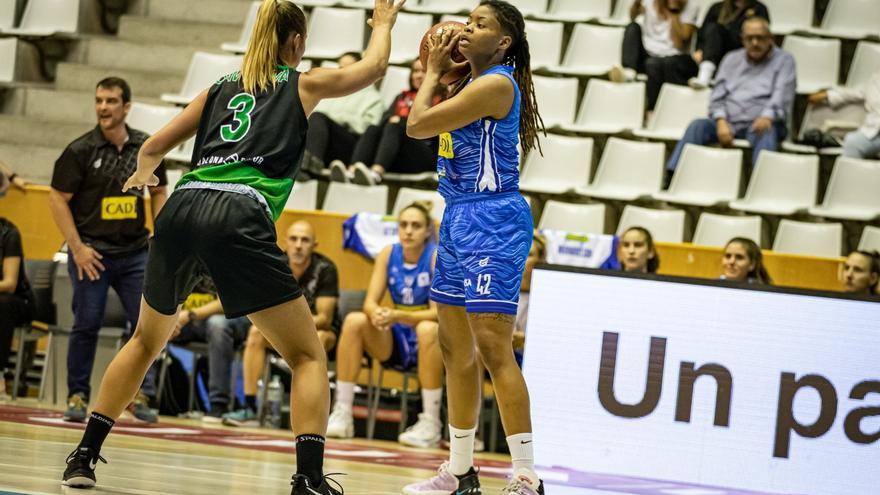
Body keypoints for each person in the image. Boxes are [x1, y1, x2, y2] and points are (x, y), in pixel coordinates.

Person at [60, 1, 405, 494]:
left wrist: (143, 175)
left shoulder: (218, 88)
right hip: (238, 212)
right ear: (296, 44)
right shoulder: (300, 83)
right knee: (307, 356)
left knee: (144, 341)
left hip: (183, 206)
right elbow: (372, 70)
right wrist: (385, 25)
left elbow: (152, 147)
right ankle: (308, 477)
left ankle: (85, 454)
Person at [404, 1, 546, 493]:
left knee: (492, 348)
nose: (467, 29)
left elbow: (417, 124)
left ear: (503, 42)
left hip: (495, 220)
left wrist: (431, 71)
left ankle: (526, 472)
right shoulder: (469, 83)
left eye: (480, 25)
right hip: (458, 218)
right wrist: (443, 74)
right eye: (467, 20)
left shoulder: (496, 83)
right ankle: (460, 469)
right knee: (454, 350)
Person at [48, 77, 169, 424]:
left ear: (126, 107)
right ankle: (77, 395)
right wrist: (77, 248)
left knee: (147, 327)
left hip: (134, 252)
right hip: (92, 253)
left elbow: (159, 191)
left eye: (111, 101)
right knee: (87, 322)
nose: (103, 107)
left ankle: (138, 394)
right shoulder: (80, 151)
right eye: (99, 100)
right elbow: (57, 198)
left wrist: (158, 238)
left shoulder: (146, 148)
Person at [326, 202, 443, 449]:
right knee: (355, 320)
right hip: (398, 336)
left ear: (427, 231)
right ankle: (343, 412)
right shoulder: (388, 253)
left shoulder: (435, 256)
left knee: (427, 329)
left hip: (430, 337)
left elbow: (437, 315)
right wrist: (377, 313)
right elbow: (369, 302)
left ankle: (431, 422)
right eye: (403, 225)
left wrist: (397, 315)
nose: (408, 231)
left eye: (416, 226)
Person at [223, 220, 341, 428]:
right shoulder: (275, 264)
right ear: (285, 242)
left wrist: (291, 324)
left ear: (314, 246)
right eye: (294, 239)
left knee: (321, 338)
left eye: (305, 240)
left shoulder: (326, 268)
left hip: (319, 332)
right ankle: (249, 407)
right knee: (256, 333)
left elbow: (324, 318)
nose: (298, 245)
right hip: (283, 329)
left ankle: (312, 413)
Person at [666, 17, 796, 174]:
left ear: (771, 38)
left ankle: (762, 183)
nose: (755, 43)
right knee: (697, 126)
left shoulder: (785, 60)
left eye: (760, 38)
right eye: (749, 38)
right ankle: (673, 175)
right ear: (742, 39)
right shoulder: (731, 59)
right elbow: (717, 96)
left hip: (763, 122)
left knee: (766, 131)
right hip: (730, 122)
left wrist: (767, 117)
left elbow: (781, 95)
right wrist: (720, 120)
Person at [330, 59, 444, 185]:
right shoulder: (402, 97)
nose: (418, 75)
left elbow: (435, 131)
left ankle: (376, 173)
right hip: (398, 154)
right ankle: (352, 170)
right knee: (373, 128)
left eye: (424, 71)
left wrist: (401, 122)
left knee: (397, 125)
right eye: (415, 71)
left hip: (426, 154)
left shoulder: (442, 98)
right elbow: (384, 120)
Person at [168, 273, 252, 422]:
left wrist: (190, 314)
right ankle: (146, 397)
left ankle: (218, 404)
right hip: (184, 320)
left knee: (217, 325)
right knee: (154, 324)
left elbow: (225, 302)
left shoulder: (223, 256)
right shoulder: (181, 257)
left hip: (222, 317)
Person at [301, 52, 385, 176]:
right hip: (326, 144)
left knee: (318, 117)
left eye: (348, 68)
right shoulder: (330, 90)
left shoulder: (373, 97)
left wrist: (342, 119)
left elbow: (370, 131)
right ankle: (307, 163)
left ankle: (311, 165)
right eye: (340, 68)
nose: (343, 72)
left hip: (353, 149)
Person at [609, 0, 700, 110]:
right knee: (632, 27)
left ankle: (651, 111)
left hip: (673, 57)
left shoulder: (690, 6)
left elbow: (679, 43)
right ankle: (629, 73)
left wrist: (674, 10)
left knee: (653, 64)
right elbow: (632, 17)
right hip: (648, 52)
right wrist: (636, 5)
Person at [690, 0, 770, 89]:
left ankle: (707, 77)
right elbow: (702, 33)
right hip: (709, 56)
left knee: (716, 29)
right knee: (674, 64)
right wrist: (699, 49)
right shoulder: (717, 7)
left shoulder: (759, 9)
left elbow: (762, 36)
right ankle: (706, 75)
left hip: (739, 55)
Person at [807, 69, 880, 160]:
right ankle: (851, 174)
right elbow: (853, 93)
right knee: (852, 141)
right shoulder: (875, 78)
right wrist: (827, 95)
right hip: (874, 133)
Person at [0, 217, 35, 399]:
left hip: (17, 300)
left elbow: (10, 283)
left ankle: (0, 377)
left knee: (3, 304)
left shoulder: (8, 233)